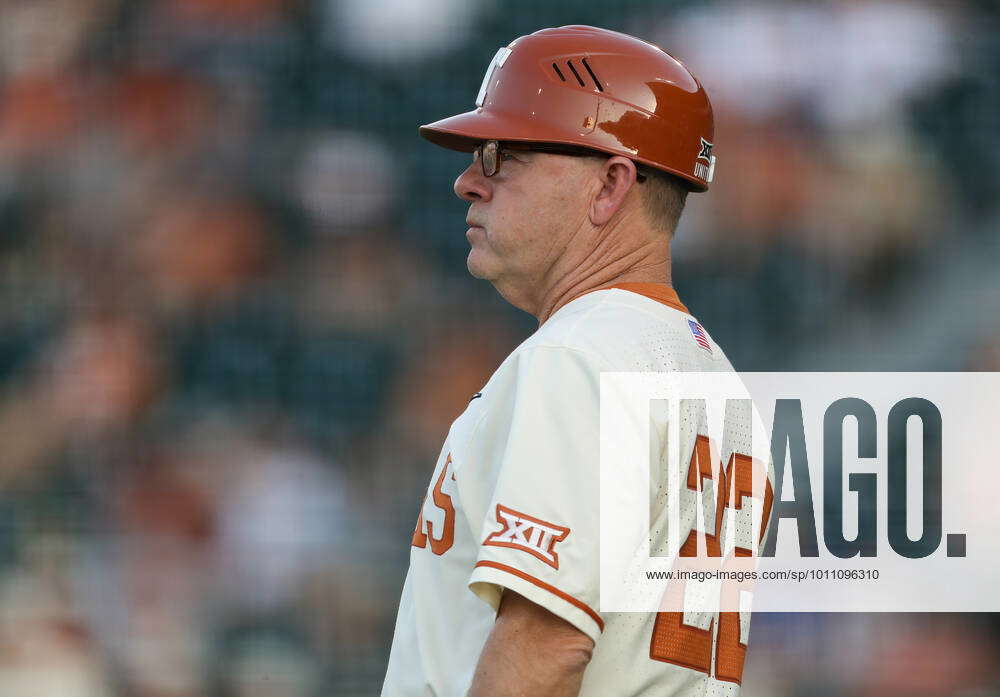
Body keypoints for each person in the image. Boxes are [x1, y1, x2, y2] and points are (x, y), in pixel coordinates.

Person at [383, 25, 772, 697]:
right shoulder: (713, 376)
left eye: (503, 155)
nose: (468, 181)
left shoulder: (579, 357)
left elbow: (550, 643)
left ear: (611, 184)